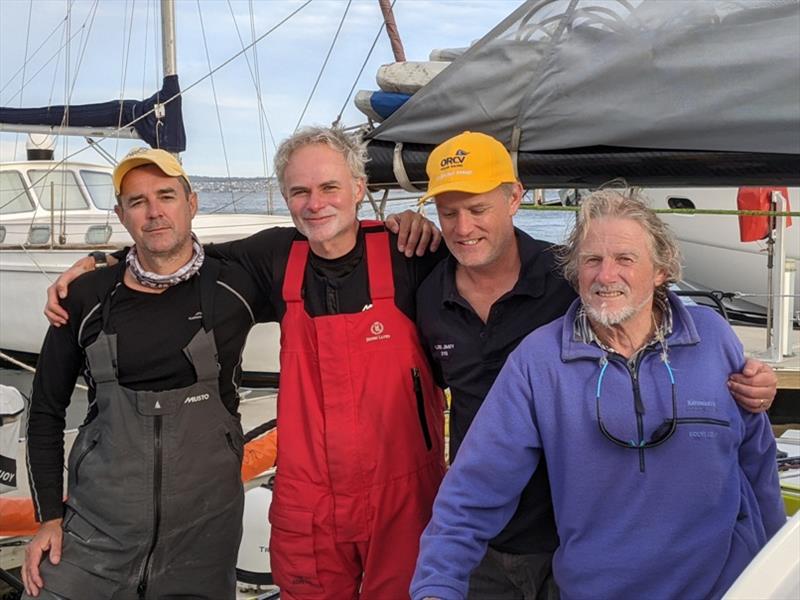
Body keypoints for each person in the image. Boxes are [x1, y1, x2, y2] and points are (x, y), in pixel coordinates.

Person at [42, 127, 448, 600]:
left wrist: (423, 223)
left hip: (401, 494)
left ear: (359, 188)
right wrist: (98, 260)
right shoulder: (274, 256)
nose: (315, 203)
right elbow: (175, 254)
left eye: (329, 187)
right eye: (300, 191)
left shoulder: (412, 254)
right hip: (307, 496)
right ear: (286, 198)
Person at [413, 131, 779, 600]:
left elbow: (759, 465)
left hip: (723, 587)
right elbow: (475, 487)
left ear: (662, 269)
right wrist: (436, 587)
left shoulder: (712, 338)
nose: (607, 275)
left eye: (625, 258)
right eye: (592, 260)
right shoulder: (540, 360)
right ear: (574, 271)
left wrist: (776, 578)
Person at [22, 148, 267, 599]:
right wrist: (49, 519)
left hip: (203, 545)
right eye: (137, 202)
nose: (154, 212)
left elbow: (328, 243)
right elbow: (45, 412)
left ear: (191, 203)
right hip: (96, 537)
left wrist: (400, 226)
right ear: (121, 214)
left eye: (166, 196)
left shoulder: (236, 285)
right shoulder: (85, 298)